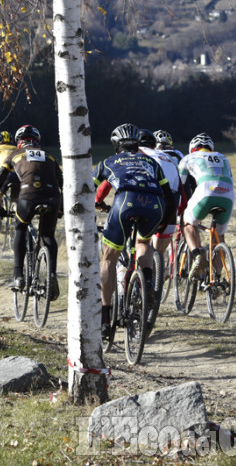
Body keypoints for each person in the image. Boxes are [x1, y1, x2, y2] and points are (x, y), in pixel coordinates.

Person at [94, 123, 175, 339]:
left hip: (125, 201)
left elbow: (87, 188)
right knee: (143, 243)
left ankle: (105, 315)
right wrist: (166, 219)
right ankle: (147, 282)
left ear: (115, 145)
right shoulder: (150, 161)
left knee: (109, 258)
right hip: (155, 204)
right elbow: (169, 194)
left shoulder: (108, 162)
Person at [0, 124, 63, 300]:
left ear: (18, 142)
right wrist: (60, 209)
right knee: (48, 236)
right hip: (53, 197)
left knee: (20, 228)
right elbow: (63, 184)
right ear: (37, 141)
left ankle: (18, 276)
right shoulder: (49, 155)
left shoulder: (14, 154)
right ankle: (52, 275)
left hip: (28, 196)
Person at [178, 133, 235, 281]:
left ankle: (198, 256)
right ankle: (216, 277)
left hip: (205, 191)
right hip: (228, 194)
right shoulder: (223, 157)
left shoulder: (188, 158)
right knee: (219, 236)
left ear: (193, 149)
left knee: (188, 222)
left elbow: (179, 185)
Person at [138, 128, 182, 258]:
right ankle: (158, 277)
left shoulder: (137, 155)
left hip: (149, 201)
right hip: (172, 206)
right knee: (159, 254)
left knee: (141, 243)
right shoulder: (171, 159)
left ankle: (131, 273)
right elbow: (182, 190)